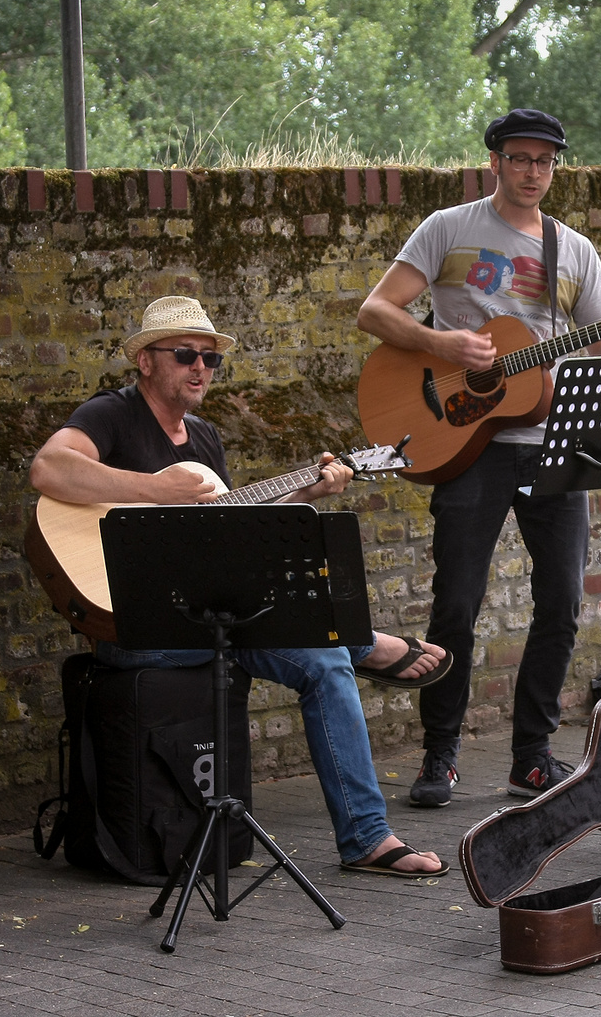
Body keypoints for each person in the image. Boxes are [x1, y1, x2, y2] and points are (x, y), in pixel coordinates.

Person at [30, 295, 450, 877]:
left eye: (210, 358)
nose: (200, 367)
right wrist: (156, 492)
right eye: (184, 354)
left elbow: (228, 538)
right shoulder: (113, 414)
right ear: (146, 362)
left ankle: (367, 839)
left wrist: (306, 495)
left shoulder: (203, 440)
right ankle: (366, 643)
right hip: (135, 626)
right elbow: (47, 468)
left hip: (205, 619)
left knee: (324, 662)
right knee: (331, 642)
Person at [356, 108, 601, 806]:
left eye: (545, 162)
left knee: (562, 603)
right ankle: (441, 756)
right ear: (493, 160)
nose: (532, 173)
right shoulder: (448, 229)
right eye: (520, 159)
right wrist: (442, 347)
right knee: (455, 604)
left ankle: (531, 755)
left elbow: (597, 344)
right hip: (467, 442)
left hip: (553, 445)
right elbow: (376, 311)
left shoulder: (573, 251)